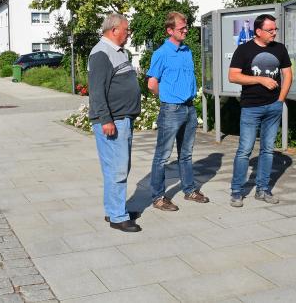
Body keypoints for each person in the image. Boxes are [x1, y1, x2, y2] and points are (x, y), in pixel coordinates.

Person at [146, 12, 209, 211]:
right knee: (162, 156)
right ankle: (158, 198)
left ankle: (189, 190)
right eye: (181, 28)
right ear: (170, 30)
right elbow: (152, 84)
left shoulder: (187, 50)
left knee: (186, 154)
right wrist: (166, 97)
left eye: (186, 26)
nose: (185, 30)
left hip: (189, 108)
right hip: (171, 109)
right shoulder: (161, 53)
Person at [228, 14, 292, 207]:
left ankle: (262, 189)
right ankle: (237, 191)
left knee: (267, 150)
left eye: (275, 29)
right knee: (245, 150)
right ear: (258, 31)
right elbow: (233, 76)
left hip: (274, 106)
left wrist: (280, 99)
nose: (274, 32)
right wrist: (260, 79)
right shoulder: (244, 50)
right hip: (251, 107)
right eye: (270, 30)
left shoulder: (279, 49)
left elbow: (288, 74)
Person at [88, 13, 142, 233]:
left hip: (122, 119)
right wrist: (106, 119)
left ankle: (115, 208)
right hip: (113, 121)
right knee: (117, 169)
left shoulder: (119, 52)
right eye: (126, 30)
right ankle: (118, 217)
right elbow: (96, 91)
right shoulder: (101, 53)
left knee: (118, 168)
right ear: (114, 30)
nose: (129, 34)